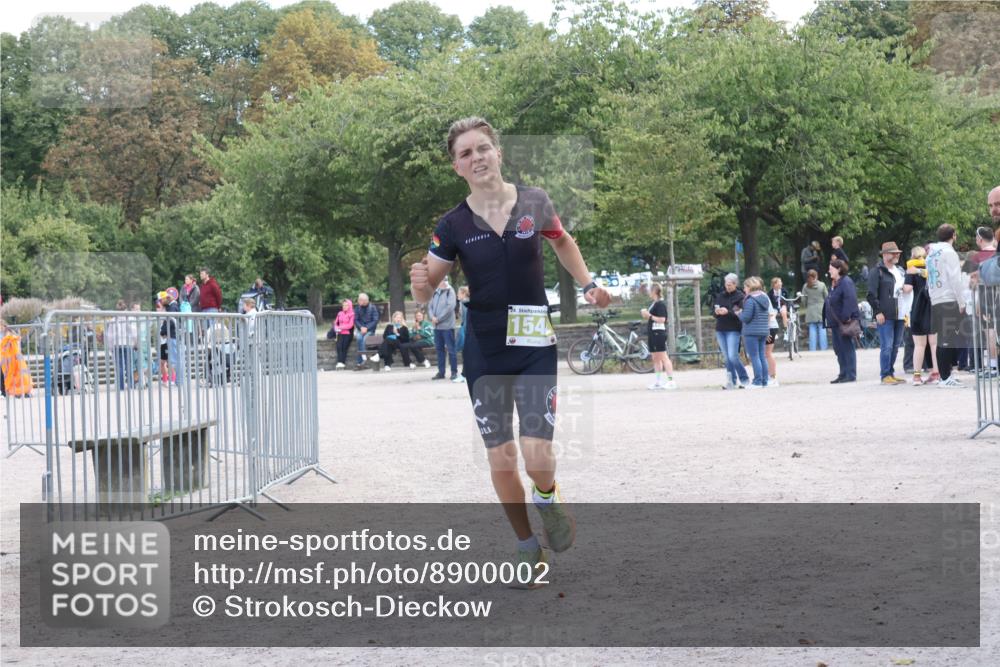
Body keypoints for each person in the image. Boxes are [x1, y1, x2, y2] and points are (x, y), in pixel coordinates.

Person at [409, 116, 610, 587]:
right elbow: (429, 285)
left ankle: (547, 496)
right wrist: (420, 287)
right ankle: (526, 546)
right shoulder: (453, 224)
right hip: (484, 349)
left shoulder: (535, 202)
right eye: (465, 154)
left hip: (534, 343)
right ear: (456, 167)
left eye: (483, 148)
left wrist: (590, 285)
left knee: (537, 452)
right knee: (500, 457)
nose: (476, 158)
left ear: (498, 152)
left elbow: (562, 242)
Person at [926, 224, 971, 386]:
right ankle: (945, 377)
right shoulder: (949, 252)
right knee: (948, 338)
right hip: (948, 298)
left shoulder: (931, 253)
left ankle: (945, 374)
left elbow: (930, 278)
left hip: (936, 299)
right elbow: (955, 278)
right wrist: (961, 301)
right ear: (953, 235)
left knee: (943, 339)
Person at [868, 241, 907, 384]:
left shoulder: (900, 271)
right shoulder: (876, 271)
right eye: (893, 253)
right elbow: (871, 294)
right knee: (887, 346)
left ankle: (890, 372)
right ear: (884, 255)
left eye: (897, 253)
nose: (897, 255)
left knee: (896, 346)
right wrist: (877, 312)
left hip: (901, 313)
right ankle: (885, 375)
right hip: (885, 314)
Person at [903, 246, 938, 385]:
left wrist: (901, 287)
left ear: (912, 255)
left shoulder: (911, 269)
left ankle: (917, 376)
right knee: (934, 344)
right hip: (933, 307)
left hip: (918, 309)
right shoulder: (932, 268)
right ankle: (936, 373)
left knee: (919, 345)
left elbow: (907, 289)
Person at [825, 259, 860, 383]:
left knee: (846, 348)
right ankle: (843, 373)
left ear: (838, 269)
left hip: (843, 322)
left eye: (831, 268)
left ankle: (850, 374)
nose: (829, 270)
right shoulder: (836, 283)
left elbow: (850, 300)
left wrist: (845, 318)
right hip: (836, 322)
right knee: (839, 348)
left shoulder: (846, 282)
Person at [712, 273, 750, 389]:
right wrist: (716, 312)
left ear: (735, 284)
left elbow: (741, 313)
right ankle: (731, 381)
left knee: (733, 356)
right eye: (726, 284)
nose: (727, 287)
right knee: (727, 357)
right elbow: (713, 311)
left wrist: (727, 312)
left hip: (733, 329)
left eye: (729, 285)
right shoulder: (720, 296)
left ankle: (744, 379)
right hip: (720, 329)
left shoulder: (740, 296)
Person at [737, 277, 770, 388]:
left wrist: (739, 313)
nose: (744, 289)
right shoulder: (764, 297)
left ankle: (757, 381)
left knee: (754, 357)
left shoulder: (750, 300)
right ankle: (765, 380)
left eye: (745, 287)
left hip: (752, 332)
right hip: (763, 330)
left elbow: (746, 318)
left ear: (750, 287)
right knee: (762, 356)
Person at [641, 282, 675, 390]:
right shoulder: (654, 303)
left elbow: (662, 319)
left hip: (658, 333)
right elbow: (652, 317)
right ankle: (658, 381)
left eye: (650, 290)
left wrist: (649, 315)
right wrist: (647, 315)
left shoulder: (660, 304)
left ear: (654, 291)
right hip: (652, 333)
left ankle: (671, 381)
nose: (648, 293)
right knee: (655, 358)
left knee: (664, 357)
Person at [428, 278, 460, 381]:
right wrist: (432, 317)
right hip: (436, 327)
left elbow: (450, 307)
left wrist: (438, 318)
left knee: (451, 350)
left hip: (447, 326)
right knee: (439, 350)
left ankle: (454, 372)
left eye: (442, 280)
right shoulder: (434, 292)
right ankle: (441, 372)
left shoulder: (450, 291)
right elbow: (430, 306)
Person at [105, 299, 137, 390]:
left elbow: (109, 336)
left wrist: (110, 347)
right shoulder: (130, 318)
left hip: (116, 345)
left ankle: (121, 386)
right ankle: (131, 385)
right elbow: (134, 333)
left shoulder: (113, 320)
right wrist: (135, 344)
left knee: (119, 367)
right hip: (128, 344)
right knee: (129, 365)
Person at [765, 277, 789, 387]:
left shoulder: (784, 291)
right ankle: (769, 376)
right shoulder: (770, 293)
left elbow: (787, 300)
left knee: (784, 313)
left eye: (781, 282)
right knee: (773, 314)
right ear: (774, 284)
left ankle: (786, 329)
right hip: (774, 309)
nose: (780, 284)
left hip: (782, 307)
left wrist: (784, 306)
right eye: (778, 282)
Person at [0, 320, 33, 397]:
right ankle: (6, 391)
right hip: (5, 359)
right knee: (5, 375)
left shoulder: (10, 333)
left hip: (12, 358)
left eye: (1, 325)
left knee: (16, 375)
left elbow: (17, 341)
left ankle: (19, 391)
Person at [160, 287, 184, 385]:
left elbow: (169, 322)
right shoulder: (172, 306)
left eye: (162, 299)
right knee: (176, 358)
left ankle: (179, 380)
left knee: (176, 359)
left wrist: (163, 331)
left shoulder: (172, 307)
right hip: (173, 335)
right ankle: (178, 380)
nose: (161, 301)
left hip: (173, 336)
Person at [800, 269, 829, 351]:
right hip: (821, 309)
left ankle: (812, 349)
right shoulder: (822, 285)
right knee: (822, 329)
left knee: (812, 329)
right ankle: (823, 349)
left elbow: (803, 300)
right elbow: (827, 297)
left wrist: (807, 306)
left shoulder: (805, 286)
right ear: (816, 276)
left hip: (810, 310)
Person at [353, 293, 381, 369]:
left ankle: (362, 361)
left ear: (364, 300)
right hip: (360, 329)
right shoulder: (357, 308)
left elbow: (375, 320)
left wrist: (367, 328)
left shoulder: (373, 308)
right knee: (359, 338)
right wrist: (361, 327)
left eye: (359, 300)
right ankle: (361, 361)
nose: (358, 301)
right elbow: (355, 320)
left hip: (370, 330)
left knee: (365, 339)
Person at [327, 299, 355, 369]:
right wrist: (336, 327)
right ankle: (339, 362)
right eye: (343, 305)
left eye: (346, 305)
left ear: (350, 306)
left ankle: (342, 362)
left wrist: (341, 327)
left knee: (344, 347)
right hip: (340, 332)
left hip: (348, 333)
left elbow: (350, 325)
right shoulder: (340, 313)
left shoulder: (352, 314)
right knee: (339, 346)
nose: (344, 307)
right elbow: (336, 323)